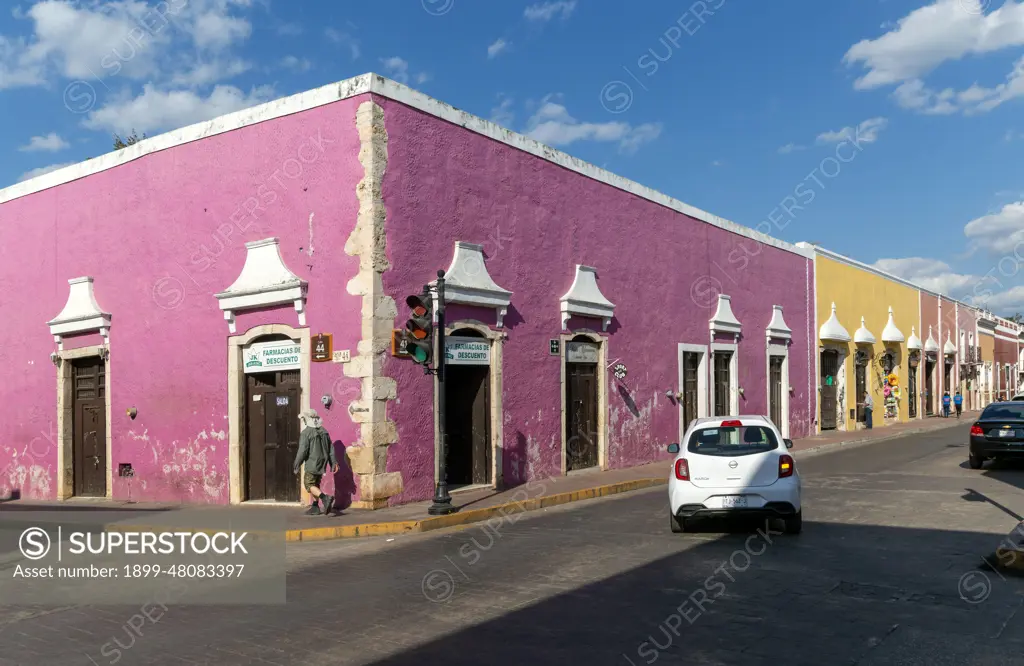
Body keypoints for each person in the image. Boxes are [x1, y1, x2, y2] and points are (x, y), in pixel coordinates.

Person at [293, 409, 339, 516]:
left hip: (312, 462)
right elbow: (330, 448)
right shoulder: (324, 431)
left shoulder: (306, 433)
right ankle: (315, 506)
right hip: (323, 462)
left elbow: (302, 451)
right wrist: (333, 463)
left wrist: (296, 464)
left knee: (309, 484)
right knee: (316, 484)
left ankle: (325, 498)